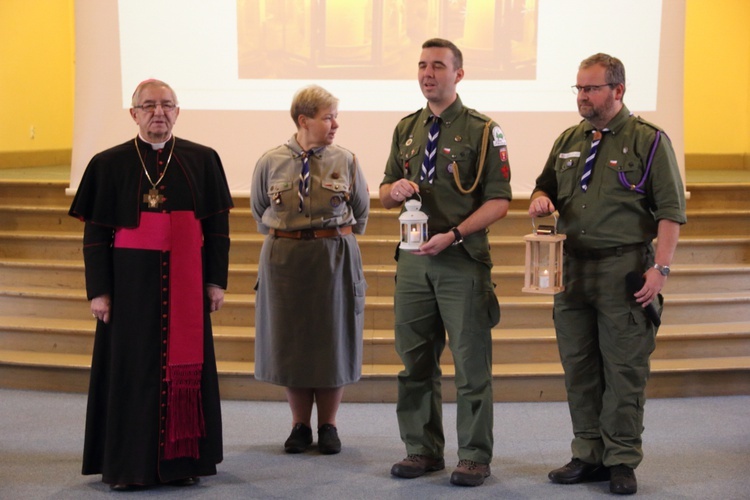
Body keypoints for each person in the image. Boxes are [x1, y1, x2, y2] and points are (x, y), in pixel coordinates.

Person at [528, 53, 686, 495]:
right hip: (572, 269)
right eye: (578, 88)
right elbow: (545, 185)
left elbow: (671, 212)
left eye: (591, 88)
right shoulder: (567, 139)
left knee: (623, 370)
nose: (583, 96)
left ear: (618, 90)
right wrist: (541, 200)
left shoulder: (648, 140)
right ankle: (587, 454)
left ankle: (620, 460)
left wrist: (661, 269)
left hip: (625, 269)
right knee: (579, 368)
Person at [69, 79, 233, 491]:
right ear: (134, 113)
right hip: (129, 288)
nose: (158, 112)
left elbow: (216, 231)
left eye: (167, 105)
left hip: (187, 285)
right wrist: (99, 291)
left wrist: (215, 281)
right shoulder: (108, 164)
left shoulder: (203, 159)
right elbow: (95, 236)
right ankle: (128, 466)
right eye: (149, 106)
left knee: (186, 370)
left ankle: (183, 462)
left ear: (177, 111)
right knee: (130, 372)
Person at [380, 38, 512, 487]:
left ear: (459, 74)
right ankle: (421, 449)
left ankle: (474, 455)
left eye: (438, 65)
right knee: (415, 361)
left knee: (472, 364)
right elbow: (382, 191)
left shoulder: (482, 130)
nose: (427, 73)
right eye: (421, 65)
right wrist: (393, 191)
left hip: (461, 259)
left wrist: (454, 234)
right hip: (414, 262)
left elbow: (499, 201)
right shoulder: (406, 128)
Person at [251, 85, 369, 455]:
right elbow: (260, 211)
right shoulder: (270, 161)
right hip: (285, 261)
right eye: (327, 117)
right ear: (304, 120)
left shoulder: (346, 160)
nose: (335, 124)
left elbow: (361, 211)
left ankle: (329, 425)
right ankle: (299, 426)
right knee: (292, 343)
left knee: (333, 342)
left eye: (335, 116)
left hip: (333, 258)